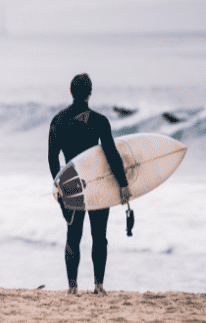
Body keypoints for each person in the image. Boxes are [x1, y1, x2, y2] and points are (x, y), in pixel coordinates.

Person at [48, 73, 131, 296]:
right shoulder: (99, 121)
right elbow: (112, 155)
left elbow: (52, 157)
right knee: (99, 235)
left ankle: (73, 287)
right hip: (96, 184)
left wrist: (59, 184)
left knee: (73, 234)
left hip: (72, 183)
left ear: (71, 92)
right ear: (90, 93)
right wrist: (123, 184)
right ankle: (98, 285)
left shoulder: (58, 120)